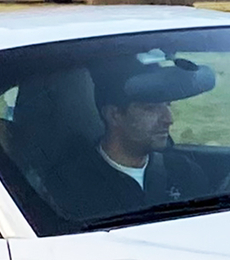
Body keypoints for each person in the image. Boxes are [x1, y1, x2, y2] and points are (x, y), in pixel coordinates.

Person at [42, 52, 218, 222]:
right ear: (114, 115)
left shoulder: (184, 171)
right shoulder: (70, 185)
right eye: (151, 108)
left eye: (167, 105)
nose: (168, 119)